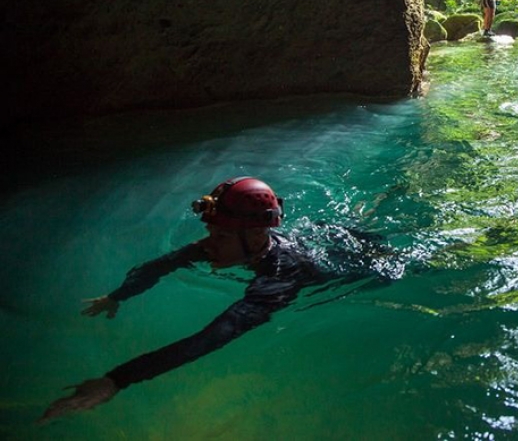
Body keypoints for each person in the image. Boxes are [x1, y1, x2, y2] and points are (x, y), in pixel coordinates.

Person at [41, 176, 335, 421]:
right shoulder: (240, 244)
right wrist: (117, 296)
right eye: (211, 232)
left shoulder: (280, 278)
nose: (207, 245)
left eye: (221, 237)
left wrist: (117, 379)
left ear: (257, 236)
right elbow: (161, 264)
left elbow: (212, 337)